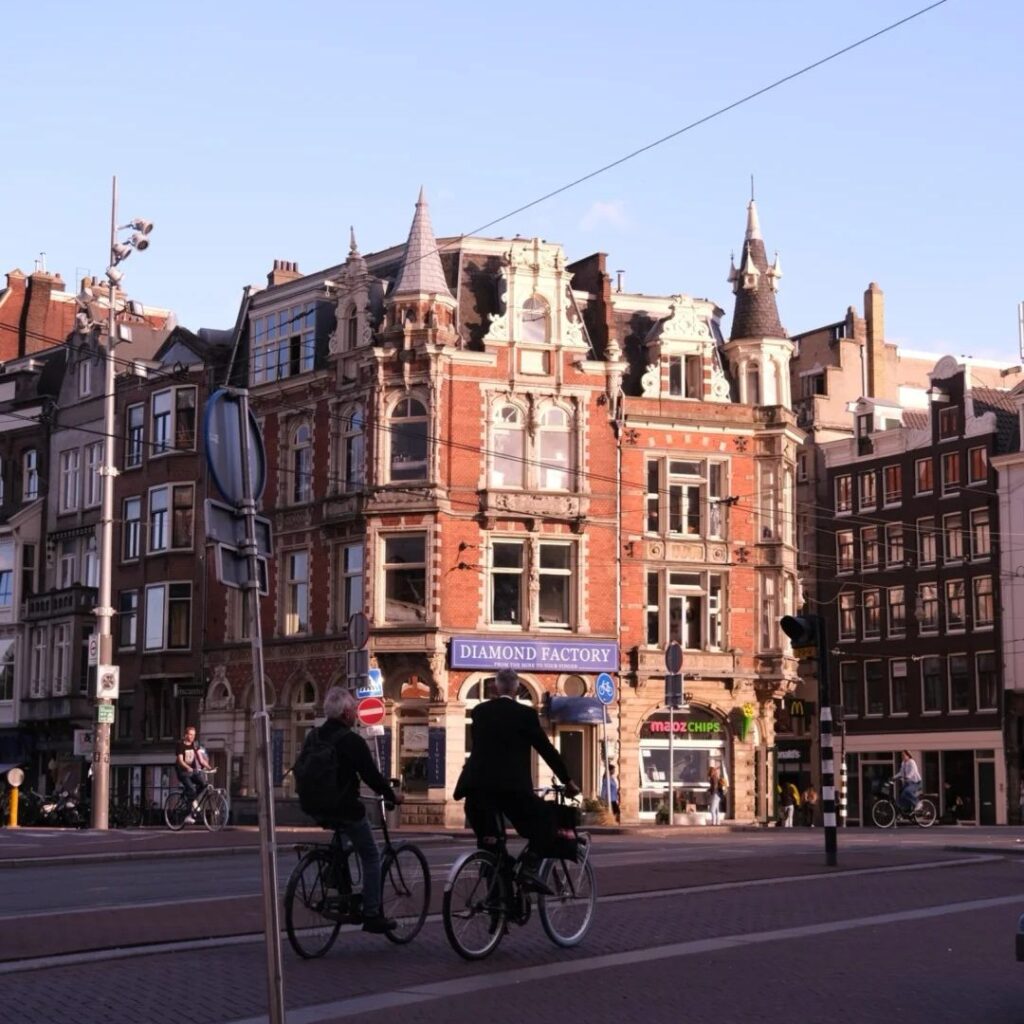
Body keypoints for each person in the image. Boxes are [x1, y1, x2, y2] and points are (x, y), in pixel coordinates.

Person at [458, 669, 580, 892]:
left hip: (476, 791)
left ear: (495, 687)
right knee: (547, 822)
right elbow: (546, 749)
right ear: (516, 688)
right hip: (511, 790)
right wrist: (568, 780)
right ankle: (529, 868)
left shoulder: (479, 712)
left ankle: (497, 912)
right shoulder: (525, 715)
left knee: (491, 848)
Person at [301, 686, 405, 934]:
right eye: (354, 710)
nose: (356, 714)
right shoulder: (351, 740)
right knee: (370, 854)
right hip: (344, 807)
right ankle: (371, 914)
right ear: (346, 713)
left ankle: (334, 871)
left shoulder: (313, 736)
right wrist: (392, 796)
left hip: (313, 805)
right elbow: (371, 777)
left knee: (344, 839)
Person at [175, 725, 209, 825]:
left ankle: (192, 798)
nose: (192, 737)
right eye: (190, 735)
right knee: (192, 789)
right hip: (182, 772)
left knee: (203, 784)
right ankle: (187, 815)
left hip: (192, 771)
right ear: (186, 735)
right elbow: (180, 760)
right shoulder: (180, 745)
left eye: (193, 735)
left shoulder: (194, 744)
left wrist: (209, 767)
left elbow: (200, 759)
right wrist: (187, 767)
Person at [894, 750, 922, 815]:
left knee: (907, 791)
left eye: (904, 755)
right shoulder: (903, 763)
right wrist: (894, 777)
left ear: (908, 755)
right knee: (901, 794)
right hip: (908, 783)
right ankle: (906, 810)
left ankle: (918, 803)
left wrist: (907, 777)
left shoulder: (912, 762)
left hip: (916, 782)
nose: (903, 757)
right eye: (902, 755)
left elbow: (913, 771)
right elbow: (901, 773)